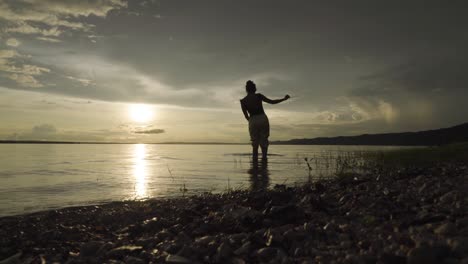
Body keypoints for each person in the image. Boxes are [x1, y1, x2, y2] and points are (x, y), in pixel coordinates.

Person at [240, 80, 290, 160]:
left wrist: (251, 121)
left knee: (255, 143)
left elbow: (246, 116)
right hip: (262, 118)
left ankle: (255, 164)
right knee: (264, 141)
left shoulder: (243, 101)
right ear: (254, 88)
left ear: (246, 89)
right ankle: (264, 160)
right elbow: (272, 102)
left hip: (252, 120)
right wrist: (284, 99)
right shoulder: (259, 96)